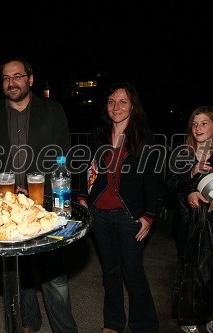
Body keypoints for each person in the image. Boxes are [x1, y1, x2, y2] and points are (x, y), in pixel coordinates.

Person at [0, 57, 77, 333]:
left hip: (43, 204)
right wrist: (1, 196)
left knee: (53, 275)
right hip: (7, 206)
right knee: (17, 272)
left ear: (30, 80)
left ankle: (65, 329)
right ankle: (29, 322)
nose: (12, 82)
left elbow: (63, 155)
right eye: (6, 78)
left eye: (18, 76)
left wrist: (45, 191)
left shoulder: (53, 110)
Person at [77, 81, 161, 333]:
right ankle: (113, 323)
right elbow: (87, 169)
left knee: (133, 274)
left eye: (123, 101)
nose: (116, 106)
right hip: (99, 215)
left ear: (133, 106)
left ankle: (144, 325)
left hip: (130, 217)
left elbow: (153, 179)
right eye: (112, 101)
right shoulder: (98, 135)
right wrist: (83, 196)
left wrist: (150, 215)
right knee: (109, 273)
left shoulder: (145, 137)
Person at [166, 106, 213, 333]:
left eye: (204, 123)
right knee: (189, 269)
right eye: (195, 123)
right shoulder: (183, 152)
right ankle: (188, 316)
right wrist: (190, 178)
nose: (198, 128)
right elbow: (170, 186)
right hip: (187, 220)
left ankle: (212, 314)